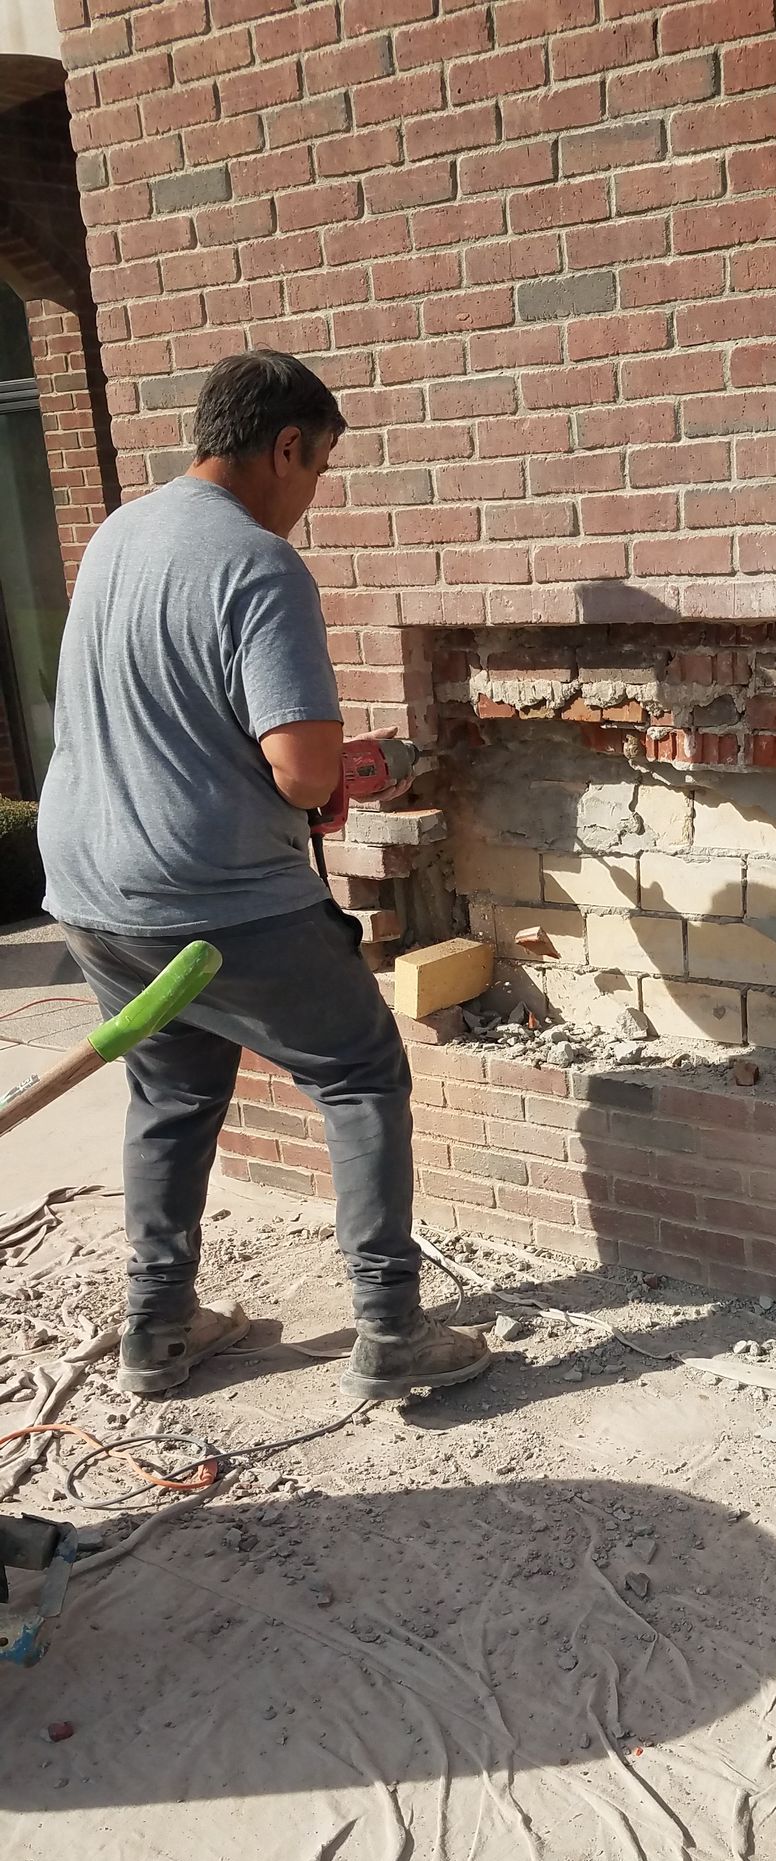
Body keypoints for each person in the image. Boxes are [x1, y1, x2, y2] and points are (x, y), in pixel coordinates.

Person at [37, 349, 489, 1401]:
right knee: (359, 1072)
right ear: (284, 444)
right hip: (213, 898)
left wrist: (314, 775)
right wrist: (331, 772)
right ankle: (389, 1335)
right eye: (319, 468)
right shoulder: (257, 562)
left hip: (94, 890)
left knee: (171, 1089)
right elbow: (299, 771)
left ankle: (157, 1330)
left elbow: (177, 717)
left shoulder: (117, 534)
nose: (313, 496)